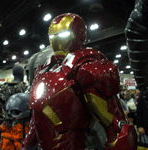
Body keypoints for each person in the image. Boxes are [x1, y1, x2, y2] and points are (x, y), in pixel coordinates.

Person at [21, 13, 137, 150]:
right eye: (52, 36)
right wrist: (26, 145)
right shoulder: (45, 70)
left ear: (80, 34)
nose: (56, 40)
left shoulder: (87, 68)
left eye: (62, 35)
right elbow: (39, 117)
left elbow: (118, 130)